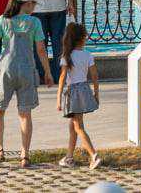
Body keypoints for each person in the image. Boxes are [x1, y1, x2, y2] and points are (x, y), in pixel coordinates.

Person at [0, 0, 54, 169]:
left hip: (6, 69)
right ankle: (25, 155)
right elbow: (41, 50)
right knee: (25, 113)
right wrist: (47, 72)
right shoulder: (34, 23)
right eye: (33, 4)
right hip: (27, 70)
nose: (34, 7)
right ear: (27, 4)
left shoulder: (3, 19)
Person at [56, 22, 101, 170]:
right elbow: (94, 76)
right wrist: (96, 93)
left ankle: (93, 155)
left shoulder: (67, 56)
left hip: (73, 93)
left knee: (79, 127)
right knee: (73, 126)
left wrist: (58, 99)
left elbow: (62, 78)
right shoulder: (87, 55)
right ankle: (69, 157)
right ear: (82, 38)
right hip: (84, 90)